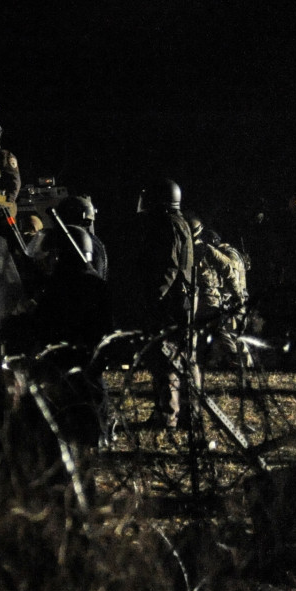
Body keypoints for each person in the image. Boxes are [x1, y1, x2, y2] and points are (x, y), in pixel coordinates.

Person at [118, 179, 198, 428]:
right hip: (182, 300)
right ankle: (188, 415)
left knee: (165, 359)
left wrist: (153, 298)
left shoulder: (166, 225)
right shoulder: (180, 223)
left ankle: (167, 415)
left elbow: (168, 266)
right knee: (185, 359)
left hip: (170, 303)